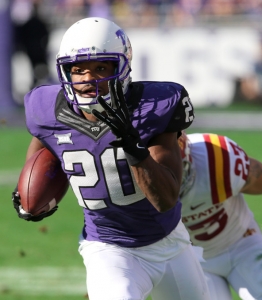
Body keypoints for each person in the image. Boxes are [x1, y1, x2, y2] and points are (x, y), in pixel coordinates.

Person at [11, 17, 210, 300]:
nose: (88, 79)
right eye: (78, 70)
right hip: (107, 246)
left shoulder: (153, 107)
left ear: (122, 66)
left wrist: (133, 145)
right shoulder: (46, 109)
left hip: (169, 243)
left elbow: (165, 200)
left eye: (100, 67)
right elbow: (43, 147)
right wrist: (30, 195)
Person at [178, 131, 262, 300]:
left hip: (242, 243)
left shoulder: (215, 159)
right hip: (188, 260)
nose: (172, 178)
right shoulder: (133, 185)